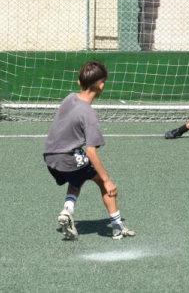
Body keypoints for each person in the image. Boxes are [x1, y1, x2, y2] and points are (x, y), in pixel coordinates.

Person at [43, 61, 135, 241]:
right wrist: (107, 180)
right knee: (101, 181)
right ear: (101, 86)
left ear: (79, 82)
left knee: (78, 176)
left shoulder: (69, 98)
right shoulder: (89, 114)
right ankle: (117, 228)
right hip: (68, 158)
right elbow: (91, 152)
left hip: (49, 157)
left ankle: (68, 209)